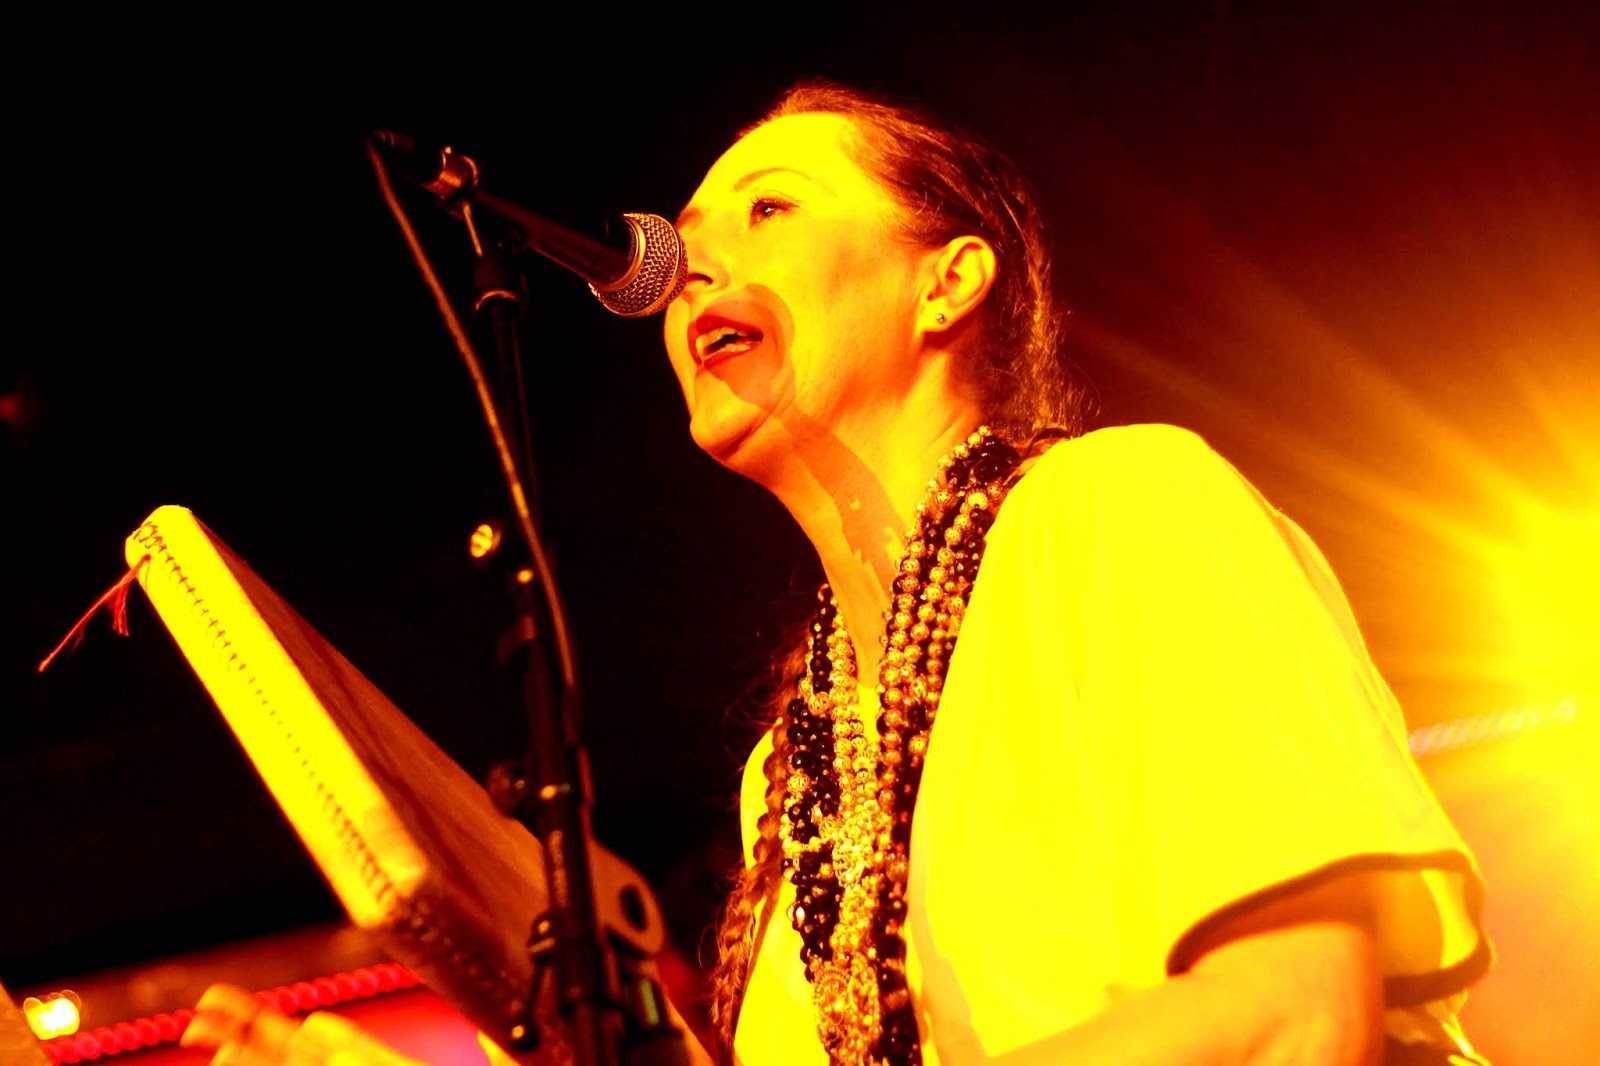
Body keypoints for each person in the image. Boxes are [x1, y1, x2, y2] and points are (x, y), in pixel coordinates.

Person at [182, 78, 1495, 1065]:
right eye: (689, 230)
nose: (689, 265)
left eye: (769, 209)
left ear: (947, 283)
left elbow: (1290, 1016)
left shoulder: (1122, 507)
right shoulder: (791, 771)